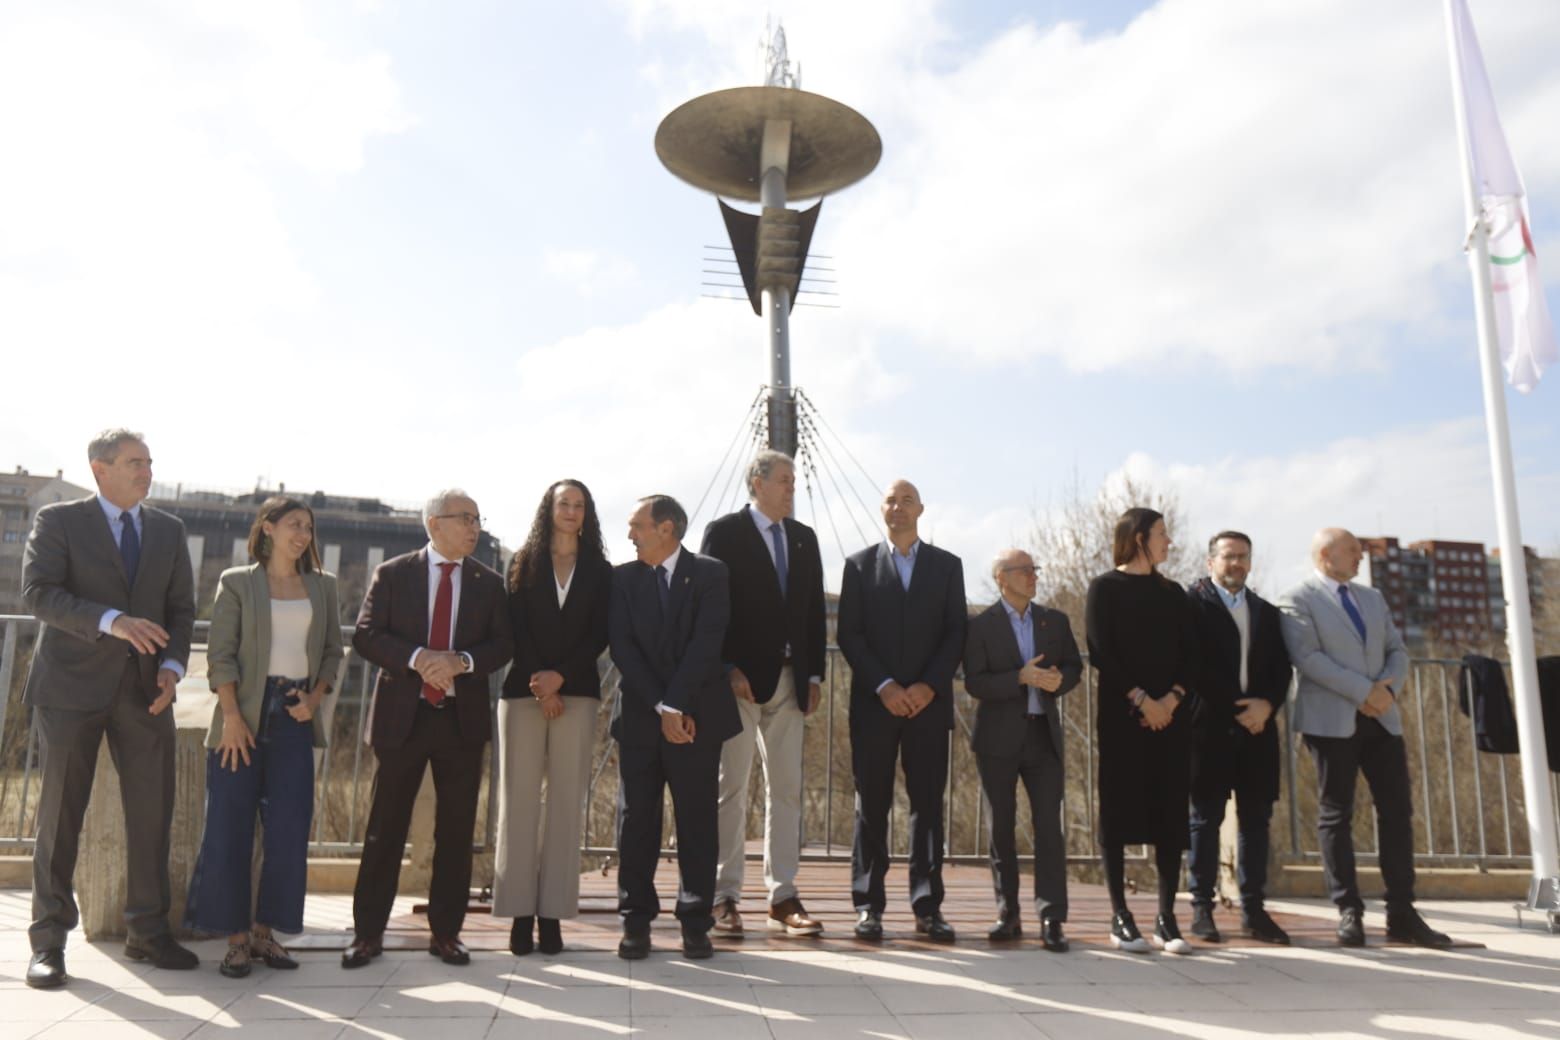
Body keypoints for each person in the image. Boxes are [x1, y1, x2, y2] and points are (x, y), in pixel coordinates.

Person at [21, 429, 198, 988]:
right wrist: (111, 621)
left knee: (152, 814)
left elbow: (182, 609)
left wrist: (172, 668)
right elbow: (38, 593)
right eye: (133, 463)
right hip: (70, 691)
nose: (146, 472)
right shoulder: (59, 522)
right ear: (99, 469)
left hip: (147, 694)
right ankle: (48, 944)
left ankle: (148, 933)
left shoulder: (170, 530)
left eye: (148, 462)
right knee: (60, 819)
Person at [342, 490, 513, 969]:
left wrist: (460, 662)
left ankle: (446, 934)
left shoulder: (489, 582)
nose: (474, 528)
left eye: (478, 519)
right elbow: (366, 634)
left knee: (456, 832)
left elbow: (502, 645)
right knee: (384, 830)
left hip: (461, 721)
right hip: (404, 719)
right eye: (465, 519)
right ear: (435, 524)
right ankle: (367, 934)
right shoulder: (394, 573)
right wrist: (421, 660)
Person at [184, 496, 345, 976]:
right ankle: (235, 941)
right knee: (228, 829)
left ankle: (264, 934)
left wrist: (314, 699)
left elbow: (334, 652)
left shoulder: (324, 587)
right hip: (244, 719)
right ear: (268, 528)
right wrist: (232, 717)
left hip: (295, 717)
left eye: (309, 528)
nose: (303, 534)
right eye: (294, 524)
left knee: (289, 831)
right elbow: (221, 656)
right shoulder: (237, 583)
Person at [1277, 528, 1452, 948]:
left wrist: (1386, 693)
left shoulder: (1371, 598)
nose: (1360, 557)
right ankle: (1348, 909)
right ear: (1325, 554)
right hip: (1332, 721)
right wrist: (1363, 691)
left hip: (1382, 719)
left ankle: (1402, 912)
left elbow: (1397, 650)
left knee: (1397, 812)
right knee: (1336, 813)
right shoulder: (1297, 598)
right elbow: (1308, 658)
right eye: (1352, 551)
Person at [699, 451, 827, 938]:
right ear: (757, 482)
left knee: (787, 790)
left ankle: (783, 896)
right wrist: (726, 667)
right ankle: (723, 896)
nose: (792, 487)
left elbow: (813, 609)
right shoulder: (725, 532)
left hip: (793, 683)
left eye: (794, 480)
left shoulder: (804, 538)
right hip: (739, 682)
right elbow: (711, 605)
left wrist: (814, 675)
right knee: (730, 788)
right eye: (783, 480)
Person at [608, 494, 739, 960]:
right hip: (645, 719)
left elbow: (707, 643)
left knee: (697, 821)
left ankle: (695, 920)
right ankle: (636, 920)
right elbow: (622, 648)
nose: (629, 535)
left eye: (636, 525)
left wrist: (677, 705)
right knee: (637, 821)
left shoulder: (711, 573)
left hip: (697, 719)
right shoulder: (622, 580)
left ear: (667, 528)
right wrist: (663, 708)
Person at [838, 479, 966, 942]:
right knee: (871, 805)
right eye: (891, 500)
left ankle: (927, 906)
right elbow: (849, 635)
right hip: (875, 705)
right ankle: (868, 905)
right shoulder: (858, 566)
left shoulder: (948, 566)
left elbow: (956, 632)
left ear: (921, 509)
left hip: (928, 707)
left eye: (906, 500)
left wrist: (929, 687)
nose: (898, 507)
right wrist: (886, 686)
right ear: (882, 509)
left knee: (927, 807)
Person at [494, 479, 611, 956]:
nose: (571, 511)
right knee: (517, 805)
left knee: (566, 806)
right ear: (549, 509)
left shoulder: (602, 572)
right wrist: (541, 684)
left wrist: (561, 677)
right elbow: (514, 628)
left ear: (587, 514)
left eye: (579, 505)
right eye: (564, 503)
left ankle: (552, 916)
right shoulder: (522, 562)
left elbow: (600, 633)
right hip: (522, 692)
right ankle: (520, 916)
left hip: (577, 692)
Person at [1084, 507, 1197, 955]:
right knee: (1117, 813)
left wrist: (1170, 699)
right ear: (1138, 539)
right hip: (1122, 719)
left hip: (1171, 720)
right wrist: (1140, 699)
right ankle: (1121, 915)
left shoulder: (1176, 594)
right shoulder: (1103, 588)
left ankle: (1167, 918)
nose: (1169, 542)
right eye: (1162, 534)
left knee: (1171, 814)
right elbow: (1101, 652)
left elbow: (1193, 655)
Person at [963, 548, 1081, 950]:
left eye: (1035, 569)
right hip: (997, 741)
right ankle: (1007, 913)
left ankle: (1052, 918)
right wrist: (1020, 677)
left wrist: (1056, 681)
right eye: (1025, 570)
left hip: (1042, 738)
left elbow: (1074, 669)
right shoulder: (980, 626)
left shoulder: (1054, 621)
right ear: (1002, 577)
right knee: (1001, 828)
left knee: (1049, 828)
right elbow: (975, 682)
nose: (1033, 576)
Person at [1184, 531, 1292, 945]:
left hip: (1258, 732)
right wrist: (1238, 707)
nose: (1237, 564)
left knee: (1256, 823)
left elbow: (1283, 668)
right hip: (1209, 729)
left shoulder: (1265, 611)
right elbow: (1194, 665)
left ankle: (1253, 910)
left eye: (1243, 557)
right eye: (1229, 557)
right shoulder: (1192, 606)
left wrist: (1266, 705)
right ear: (1210, 562)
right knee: (1204, 820)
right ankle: (1201, 909)